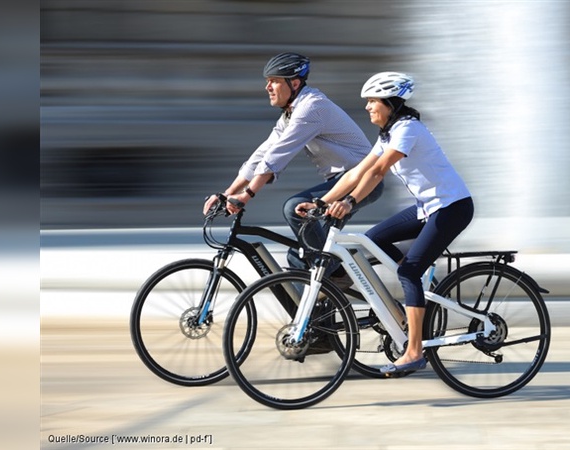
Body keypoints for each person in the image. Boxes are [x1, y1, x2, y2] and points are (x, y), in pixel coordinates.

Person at [296, 71, 474, 375]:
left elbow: (378, 170)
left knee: (409, 270)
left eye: (372, 101)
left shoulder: (408, 129)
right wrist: (323, 202)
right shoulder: (388, 134)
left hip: (451, 208)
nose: (367, 107)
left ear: (390, 103)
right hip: (426, 208)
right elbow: (356, 173)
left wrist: (350, 202)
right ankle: (406, 297)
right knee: (372, 241)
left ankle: (415, 350)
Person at [203, 52, 384, 279]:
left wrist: (247, 194)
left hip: (361, 181)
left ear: (295, 83)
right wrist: (228, 192)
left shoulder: (312, 108)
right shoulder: (290, 113)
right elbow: (264, 152)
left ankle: (332, 276)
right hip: (340, 181)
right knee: (297, 256)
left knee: (295, 207)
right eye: (267, 81)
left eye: (275, 81)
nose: (267, 87)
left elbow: (279, 155)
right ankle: (319, 305)